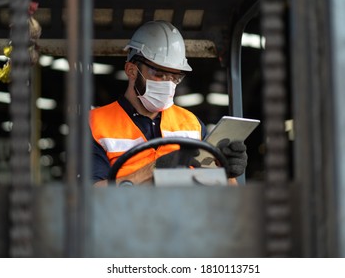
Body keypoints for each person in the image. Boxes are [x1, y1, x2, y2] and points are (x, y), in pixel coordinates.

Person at [89, 20, 247, 186]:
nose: (168, 83)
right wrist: (156, 169)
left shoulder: (191, 124)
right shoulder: (96, 124)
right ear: (131, 71)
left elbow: (228, 193)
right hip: (127, 211)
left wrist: (226, 171)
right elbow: (90, 195)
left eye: (175, 77)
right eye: (159, 74)